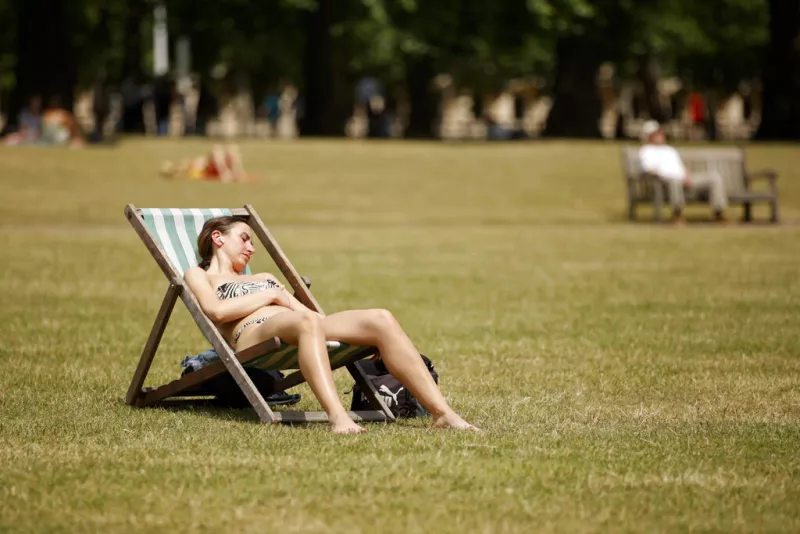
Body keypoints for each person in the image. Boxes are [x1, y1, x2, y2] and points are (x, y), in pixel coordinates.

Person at [183, 216, 480, 434]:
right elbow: (216, 311)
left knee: (380, 318)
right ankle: (338, 417)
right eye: (244, 238)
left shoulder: (263, 277)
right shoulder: (200, 275)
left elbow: (316, 321)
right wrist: (274, 294)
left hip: (297, 324)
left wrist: (367, 338)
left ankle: (443, 415)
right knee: (305, 319)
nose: (251, 247)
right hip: (252, 334)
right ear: (218, 238)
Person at [639, 120, 728, 224]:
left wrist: (687, 175)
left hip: (684, 179)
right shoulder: (646, 151)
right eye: (656, 134)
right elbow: (649, 170)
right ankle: (677, 215)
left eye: (660, 132)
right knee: (675, 181)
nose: (660, 135)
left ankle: (718, 213)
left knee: (714, 177)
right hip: (665, 182)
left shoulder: (670, 150)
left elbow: (680, 166)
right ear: (649, 136)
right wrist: (664, 176)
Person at [160, 144, 255, 183]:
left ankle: (171, 169)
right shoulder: (208, 162)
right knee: (197, 162)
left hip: (210, 170)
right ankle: (171, 169)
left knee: (197, 162)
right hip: (207, 169)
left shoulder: (227, 162)